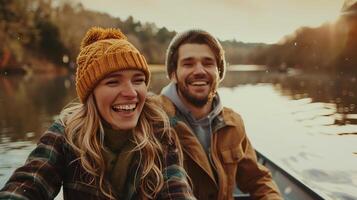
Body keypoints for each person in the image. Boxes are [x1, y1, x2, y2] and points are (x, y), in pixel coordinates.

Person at [0, 27, 195, 200]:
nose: (131, 93)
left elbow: (176, 191)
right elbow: (29, 183)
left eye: (138, 80)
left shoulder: (160, 131)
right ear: (90, 94)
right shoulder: (65, 133)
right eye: (113, 82)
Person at [153, 29, 283, 199]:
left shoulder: (233, 122)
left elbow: (258, 179)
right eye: (188, 63)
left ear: (219, 72)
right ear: (173, 74)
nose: (199, 70)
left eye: (208, 63)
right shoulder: (152, 118)